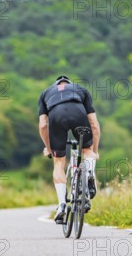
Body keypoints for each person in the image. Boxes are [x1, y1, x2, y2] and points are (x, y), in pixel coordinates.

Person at [38, 75, 101, 223]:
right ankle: (89, 171)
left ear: (56, 85)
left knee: (59, 162)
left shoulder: (45, 93)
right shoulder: (81, 90)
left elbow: (42, 125)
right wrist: (94, 151)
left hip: (56, 116)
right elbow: (94, 124)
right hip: (77, 111)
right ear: (70, 84)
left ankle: (61, 206)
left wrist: (48, 148)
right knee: (87, 151)